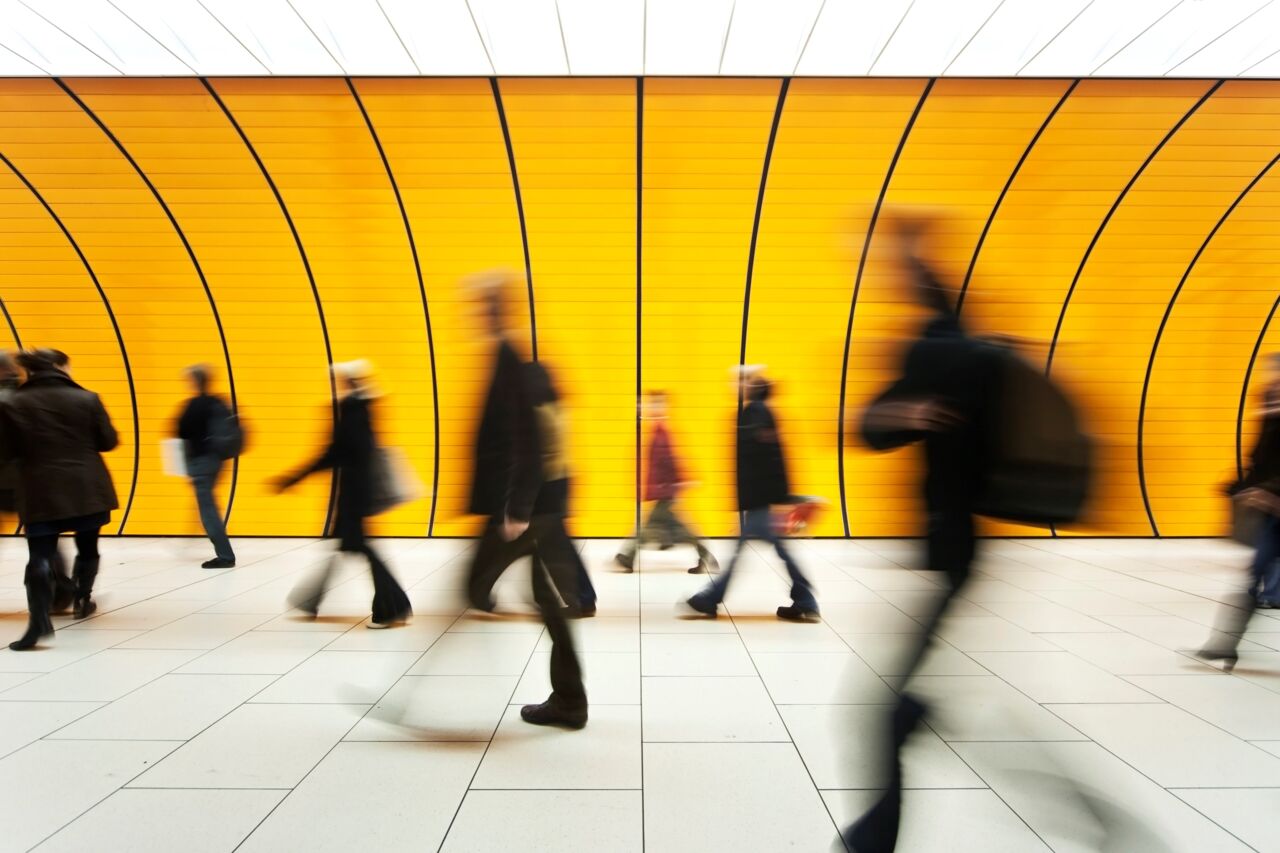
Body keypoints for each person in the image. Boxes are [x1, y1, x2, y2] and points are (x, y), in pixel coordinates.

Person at [842, 226, 1003, 852]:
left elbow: (867, 428)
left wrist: (901, 414)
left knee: (880, 711)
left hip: (949, 548)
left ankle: (875, 840)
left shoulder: (935, 356)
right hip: (957, 548)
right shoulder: (975, 353)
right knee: (891, 705)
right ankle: (910, 728)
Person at [273, 361, 411, 629]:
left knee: (360, 547)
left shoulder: (351, 409)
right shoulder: (365, 406)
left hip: (353, 494)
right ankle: (308, 601)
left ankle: (392, 607)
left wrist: (294, 477)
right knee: (345, 545)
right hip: (357, 492)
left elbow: (336, 452)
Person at [0, 349, 119, 649]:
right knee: (87, 545)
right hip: (86, 487)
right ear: (59, 369)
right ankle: (82, 598)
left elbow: (6, 451)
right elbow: (108, 441)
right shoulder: (87, 398)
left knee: (39, 555)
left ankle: (39, 621)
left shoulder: (16, 403)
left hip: (39, 489)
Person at [685, 368, 819, 622]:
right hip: (761, 500)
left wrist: (762, 502)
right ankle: (805, 601)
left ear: (750, 385)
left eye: (740, 380)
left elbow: (763, 461)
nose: (735, 385)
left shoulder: (754, 413)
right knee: (772, 551)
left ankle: (710, 599)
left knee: (744, 553)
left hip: (760, 500)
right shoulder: (757, 412)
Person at [514, 360, 589, 725]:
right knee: (550, 593)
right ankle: (569, 699)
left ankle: (569, 701)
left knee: (547, 599)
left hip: (541, 508)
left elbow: (537, 465)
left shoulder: (537, 415)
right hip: (553, 502)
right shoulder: (558, 409)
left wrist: (518, 509)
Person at [464, 271, 542, 613]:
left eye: (481, 308)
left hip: (505, 488)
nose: (474, 316)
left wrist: (519, 505)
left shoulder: (508, 356)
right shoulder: (501, 354)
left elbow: (524, 433)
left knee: (484, 570)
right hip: (502, 488)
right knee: (481, 574)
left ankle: (558, 594)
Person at [1197, 353, 1280, 670]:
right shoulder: (1270, 415)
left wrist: (1268, 491)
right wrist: (1240, 486)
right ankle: (1225, 644)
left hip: (1274, 504)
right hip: (1274, 513)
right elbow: (1259, 459)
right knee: (1254, 572)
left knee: (1259, 572)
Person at [615, 390, 717, 575]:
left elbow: (670, 462)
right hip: (664, 490)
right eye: (651, 404)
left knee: (648, 528)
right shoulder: (657, 430)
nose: (651, 407)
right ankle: (705, 556)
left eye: (656, 404)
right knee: (678, 527)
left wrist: (680, 482)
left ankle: (627, 557)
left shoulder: (662, 432)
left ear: (664, 407)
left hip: (665, 490)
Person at [175, 364, 236, 568]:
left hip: (201, 462)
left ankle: (225, 555)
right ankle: (201, 537)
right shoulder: (219, 402)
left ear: (194, 381)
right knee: (206, 504)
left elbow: (181, 432)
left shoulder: (193, 405)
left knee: (208, 509)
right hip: (217, 461)